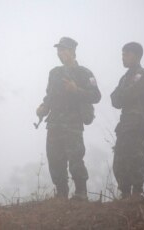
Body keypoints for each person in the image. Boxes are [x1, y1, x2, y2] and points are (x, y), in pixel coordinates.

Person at [36, 37, 101, 200]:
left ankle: (81, 193)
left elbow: (96, 96)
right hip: (54, 123)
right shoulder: (54, 73)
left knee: (75, 158)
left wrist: (76, 89)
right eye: (58, 50)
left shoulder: (85, 73)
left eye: (64, 49)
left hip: (73, 123)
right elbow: (49, 96)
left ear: (73, 51)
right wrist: (43, 108)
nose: (60, 53)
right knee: (54, 159)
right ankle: (61, 194)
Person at [110, 42, 144, 199]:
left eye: (126, 54)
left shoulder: (141, 75)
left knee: (136, 158)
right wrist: (123, 95)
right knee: (120, 161)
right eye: (122, 54)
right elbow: (114, 100)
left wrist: (124, 95)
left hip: (137, 123)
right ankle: (125, 194)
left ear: (137, 56)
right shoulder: (125, 78)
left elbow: (126, 95)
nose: (123, 57)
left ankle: (136, 194)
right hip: (125, 124)